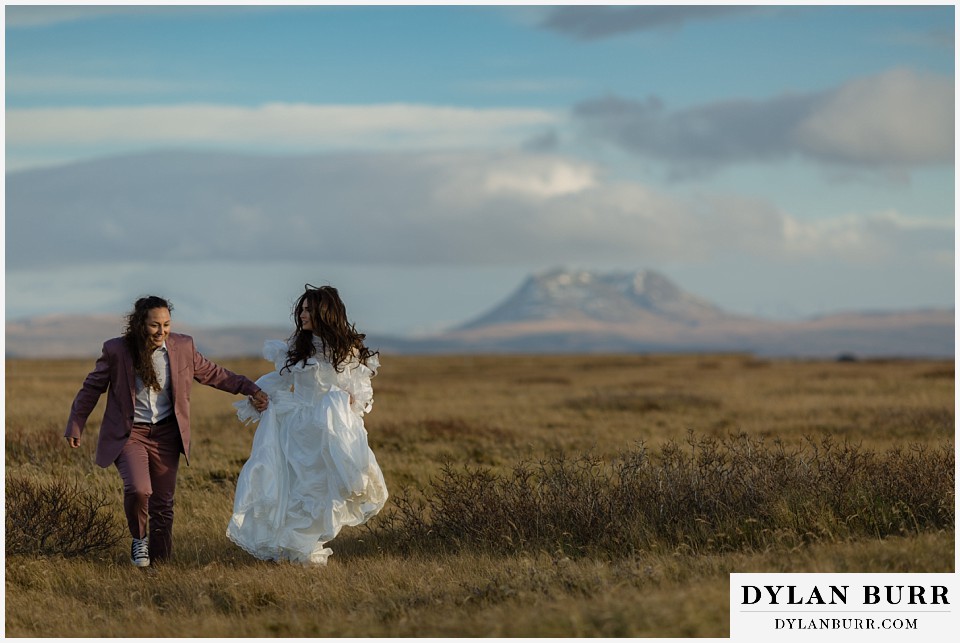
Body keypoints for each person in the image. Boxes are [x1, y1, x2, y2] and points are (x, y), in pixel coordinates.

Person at [65, 295, 269, 568]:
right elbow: (92, 388)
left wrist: (251, 388)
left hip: (166, 436)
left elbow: (215, 374)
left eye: (166, 324)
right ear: (140, 325)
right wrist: (76, 423)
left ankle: (160, 567)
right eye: (154, 326)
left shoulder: (183, 347)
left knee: (163, 504)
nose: (161, 331)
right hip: (131, 435)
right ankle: (139, 539)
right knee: (139, 489)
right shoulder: (117, 350)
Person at [227, 284, 387, 565]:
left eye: (308, 310)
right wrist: (258, 395)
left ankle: (307, 547)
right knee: (297, 489)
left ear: (324, 313)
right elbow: (280, 379)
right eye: (300, 310)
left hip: (328, 433)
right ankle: (299, 551)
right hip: (297, 430)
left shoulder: (347, 351)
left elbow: (360, 390)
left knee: (321, 490)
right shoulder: (296, 348)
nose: (302, 315)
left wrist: (347, 401)